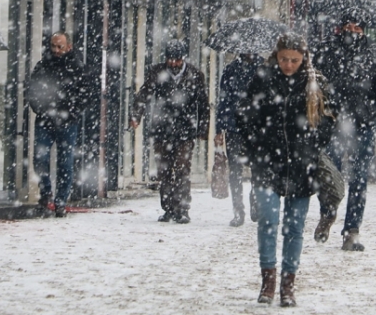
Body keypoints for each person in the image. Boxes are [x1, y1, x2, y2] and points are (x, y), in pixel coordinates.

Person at [237, 33, 334, 307]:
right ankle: (268, 278)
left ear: (303, 59)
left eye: (294, 60)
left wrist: (313, 142)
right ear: (276, 57)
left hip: (302, 165)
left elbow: (330, 118)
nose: (288, 65)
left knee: (294, 226)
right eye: (283, 59)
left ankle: (288, 283)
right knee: (268, 219)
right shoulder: (262, 78)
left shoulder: (316, 82)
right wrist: (256, 143)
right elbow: (243, 114)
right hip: (267, 162)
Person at [312, 7, 376, 251]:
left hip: (363, 124)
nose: (353, 31)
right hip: (334, 123)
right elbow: (315, 86)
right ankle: (328, 214)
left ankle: (352, 231)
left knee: (359, 180)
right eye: (348, 26)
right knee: (330, 175)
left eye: (357, 27)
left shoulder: (374, 54)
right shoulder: (326, 50)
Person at [130, 40, 209, 224]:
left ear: (183, 59)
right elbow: (144, 94)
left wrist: (202, 128)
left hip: (185, 129)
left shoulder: (195, 75)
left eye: (177, 60)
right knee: (164, 171)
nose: (173, 63)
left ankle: (182, 208)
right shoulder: (157, 72)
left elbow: (203, 104)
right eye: (170, 59)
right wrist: (136, 115)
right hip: (162, 129)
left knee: (182, 169)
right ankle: (168, 208)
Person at [28, 32, 92, 218]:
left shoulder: (77, 67)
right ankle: (46, 192)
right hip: (45, 119)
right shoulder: (43, 66)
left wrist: (72, 113)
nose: (56, 50)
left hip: (67, 122)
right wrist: (39, 108)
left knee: (65, 162)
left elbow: (85, 93)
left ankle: (61, 201)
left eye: (60, 47)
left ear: (68, 47)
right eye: (53, 46)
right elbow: (32, 88)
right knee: (40, 158)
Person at [214, 53, 264, 227]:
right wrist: (219, 128)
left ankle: (255, 200)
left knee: (258, 169)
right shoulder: (230, 70)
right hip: (235, 126)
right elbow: (224, 99)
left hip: (257, 128)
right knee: (235, 170)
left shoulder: (265, 69)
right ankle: (238, 211)